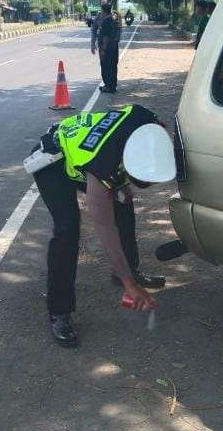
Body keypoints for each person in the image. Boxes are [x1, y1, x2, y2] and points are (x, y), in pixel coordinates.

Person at [29, 104, 173, 347]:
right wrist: (131, 287)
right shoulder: (102, 165)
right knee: (68, 228)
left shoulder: (147, 122)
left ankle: (127, 271)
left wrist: (123, 188)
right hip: (54, 160)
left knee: (123, 202)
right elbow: (105, 229)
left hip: (94, 149)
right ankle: (59, 311)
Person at [91, 0, 121, 93]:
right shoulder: (109, 18)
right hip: (113, 46)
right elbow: (94, 29)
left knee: (106, 65)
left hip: (108, 46)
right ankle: (111, 85)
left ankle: (109, 86)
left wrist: (103, 49)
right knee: (112, 65)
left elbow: (107, 36)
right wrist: (93, 43)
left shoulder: (110, 19)